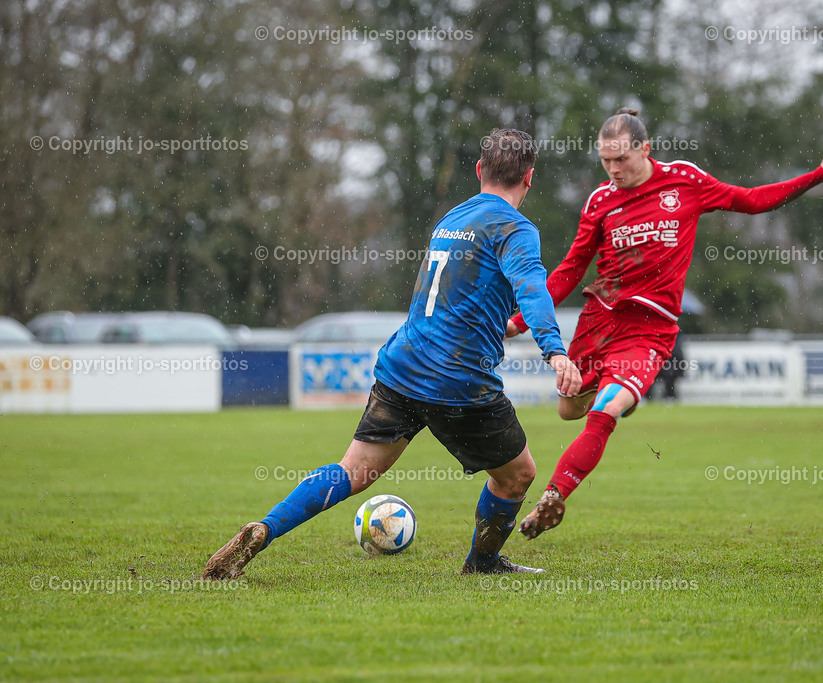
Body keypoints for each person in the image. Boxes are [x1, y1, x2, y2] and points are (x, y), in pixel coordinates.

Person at [203, 128, 582, 579]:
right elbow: (532, 289)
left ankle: (265, 528)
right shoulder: (515, 228)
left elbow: (454, 296)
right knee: (516, 475)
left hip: (403, 363)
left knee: (354, 470)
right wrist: (555, 352)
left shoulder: (453, 220)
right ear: (530, 177)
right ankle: (483, 564)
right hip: (456, 378)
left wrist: (496, 326)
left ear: (479, 170)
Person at [508, 107, 823, 539]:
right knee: (568, 409)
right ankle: (623, 394)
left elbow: (752, 200)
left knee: (604, 409)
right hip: (601, 320)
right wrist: (520, 321)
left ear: (645, 149)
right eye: (605, 160)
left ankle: (554, 496)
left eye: (621, 160)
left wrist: (818, 174)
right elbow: (572, 269)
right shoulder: (600, 201)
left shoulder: (685, 181)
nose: (613, 170)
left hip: (651, 328)